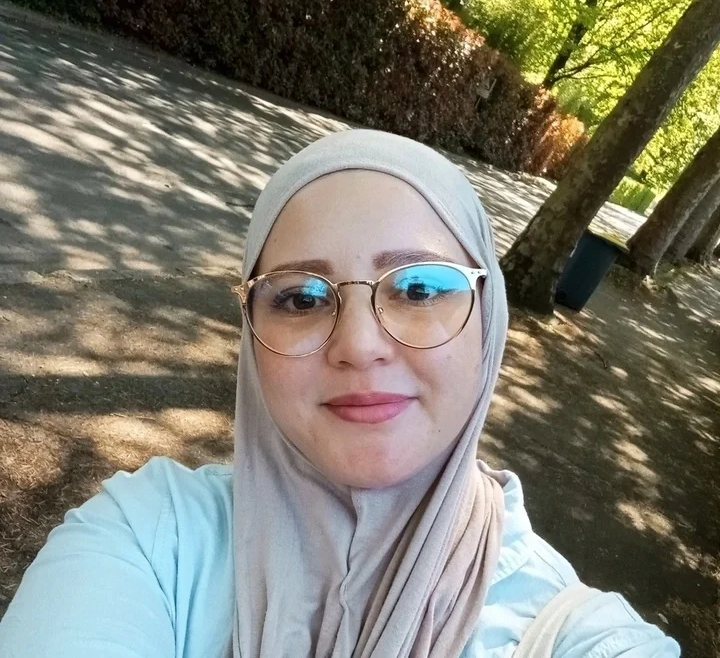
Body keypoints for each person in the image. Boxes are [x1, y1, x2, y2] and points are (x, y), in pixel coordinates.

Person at [0, 129, 679, 657]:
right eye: (300, 298)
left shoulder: (572, 634)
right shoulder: (149, 541)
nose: (358, 344)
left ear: (489, 319)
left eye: (420, 288)